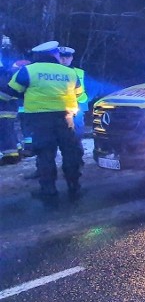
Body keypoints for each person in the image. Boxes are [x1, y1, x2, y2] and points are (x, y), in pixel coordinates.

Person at [0, 41, 83, 200]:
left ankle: (49, 190)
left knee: (45, 155)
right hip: (67, 118)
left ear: (37, 55)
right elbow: (78, 93)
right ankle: (74, 186)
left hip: (41, 119)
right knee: (70, 153)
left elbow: (12, 90)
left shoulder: (28, 71)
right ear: (55, 55)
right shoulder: (70, 73)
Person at [58, 46, 88, 167]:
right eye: (62, 57)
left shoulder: (80, 72)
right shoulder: (54, 72)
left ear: (71, 58)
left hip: (78, 107)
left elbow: (88, 89)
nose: (64, 60)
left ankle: (78, 159)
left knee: (77, 134)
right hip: (59, 107)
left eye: (67, 57)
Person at [0, 60, 28, 163]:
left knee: (4, 132)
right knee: (9, 131)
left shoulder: (4, 75)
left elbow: (5, 93)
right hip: (8, 108)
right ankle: (17, 150)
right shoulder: (8, 74)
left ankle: (11, 156)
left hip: (4, 108)